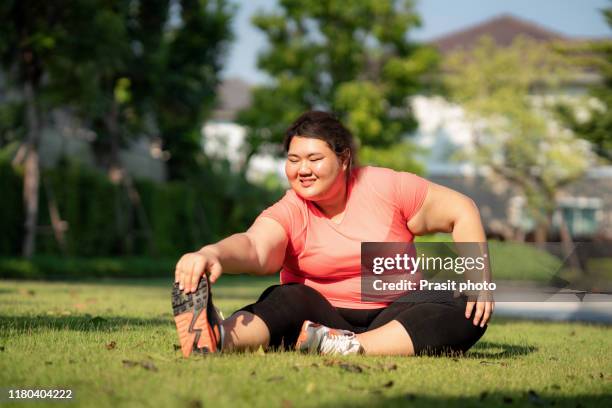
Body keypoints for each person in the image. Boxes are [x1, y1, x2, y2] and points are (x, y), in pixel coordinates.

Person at [172, 110, 494, 358]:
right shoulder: (291, 208)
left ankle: (350, 346)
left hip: (397, 315)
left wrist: (478, 277)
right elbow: (255, 246)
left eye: (314, 159)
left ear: (343, 160)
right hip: (318, 319)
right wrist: (211, 253)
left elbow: (461, 210)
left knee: (461, 297)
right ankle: (219, 337)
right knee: (286, 297)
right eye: (293, 160)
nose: (302, 170)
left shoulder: (385, 187)